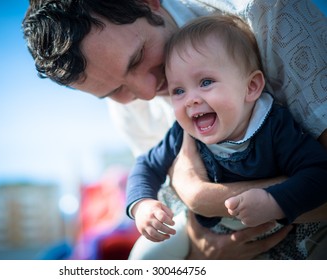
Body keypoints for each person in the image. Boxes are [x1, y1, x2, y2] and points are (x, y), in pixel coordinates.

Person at [22, 0, 327, 259]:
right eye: (115, 91)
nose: (148, 91)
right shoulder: (126, 111)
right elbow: (160, 188)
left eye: (138, 58)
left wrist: (200, 196)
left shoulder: (267, 13)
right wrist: (196, 247)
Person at [125, 14, 327, 259]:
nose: (191, 99)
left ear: (251, 87)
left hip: (280, 231)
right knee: (143, 258)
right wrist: (142, 205)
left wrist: (274, 201)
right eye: (178, 90)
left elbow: (319, 173)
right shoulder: (183, 131)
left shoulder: (273, 126)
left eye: (206, 82)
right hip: (199, 227)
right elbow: (146, 164)